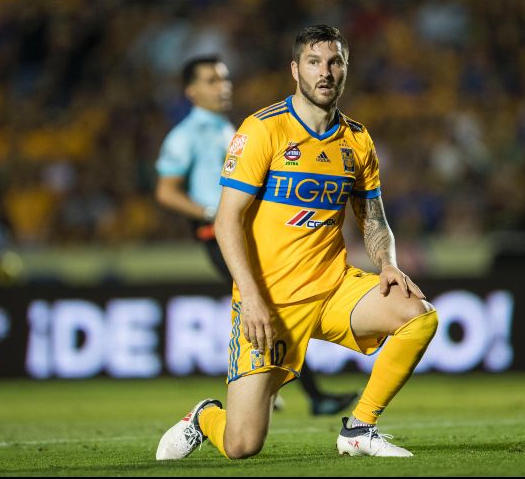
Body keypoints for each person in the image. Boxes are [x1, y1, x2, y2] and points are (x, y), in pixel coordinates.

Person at [155, 25, 438, 460]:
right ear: (295, 69)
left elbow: (373, 215)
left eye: (334, 62)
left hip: (332, 289)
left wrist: (387, 263)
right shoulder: (263, 130)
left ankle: (359, 428)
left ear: (345, 69)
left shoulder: (357, 140)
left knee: (418, 316)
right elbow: (228, 219)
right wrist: (249, 296)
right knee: (242, 445)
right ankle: (204, 417)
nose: (324, 72)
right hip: (269, 302)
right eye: (313, 62)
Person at [154, 55, 358, 416]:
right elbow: (166, 191)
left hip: (250, 230)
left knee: (269, 307)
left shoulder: (227, 129)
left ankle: (273, 385)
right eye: (212, 81)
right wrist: (209, 212)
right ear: (191, 91)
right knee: (264, 304)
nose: (223, 87)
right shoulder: (185, 135)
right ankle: (283, 389)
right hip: (219, 233)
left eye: (225, 79)